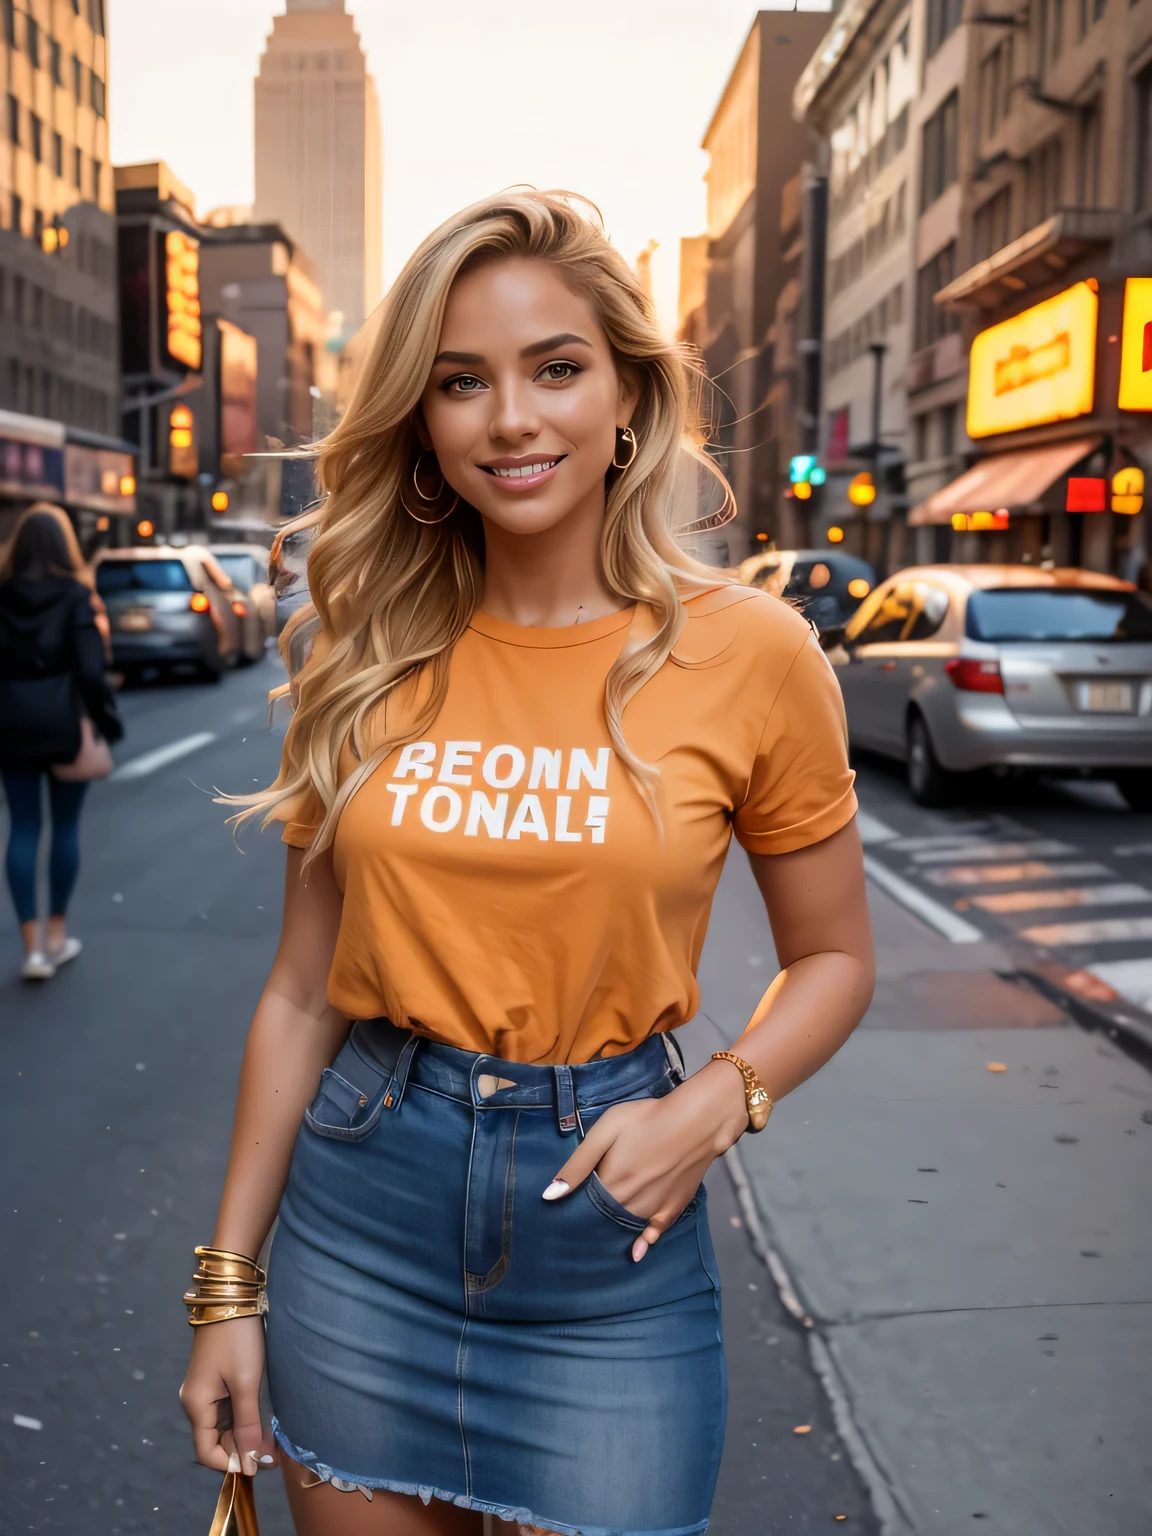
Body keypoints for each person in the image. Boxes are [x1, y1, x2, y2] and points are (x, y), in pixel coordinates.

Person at [179, 191, 875, 1536]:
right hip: (362, 1216)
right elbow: (299, 993)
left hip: (606, 1237)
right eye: (461, 382)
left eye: (556, 368)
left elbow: (836, 958)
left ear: (627, 397)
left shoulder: (753, 653)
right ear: (424, 428)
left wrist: (713, 1107)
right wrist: (228, 1289)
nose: (512, 418)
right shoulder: (363, 651)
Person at [0, 504, 122, 980]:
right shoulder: (76, 596)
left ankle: (31, 951)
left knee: (24, 829)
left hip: (9, 726)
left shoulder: (1, 595)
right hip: (65, 725)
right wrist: (106, 721)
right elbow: (92, 672)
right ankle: (56, 935)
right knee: (65, 828)